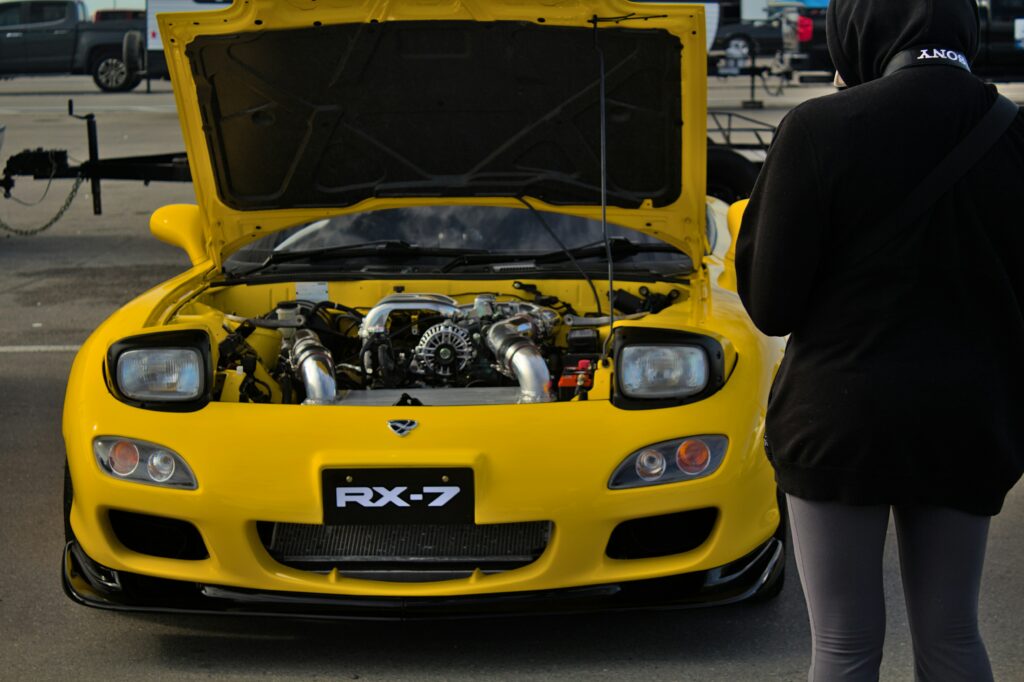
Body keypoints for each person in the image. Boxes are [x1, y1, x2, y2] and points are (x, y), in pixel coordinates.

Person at [735, 1, 1024, 680]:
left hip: (841, 417)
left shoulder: (819, 127)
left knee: (843, 644)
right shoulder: (1013, 132)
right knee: (953, 636)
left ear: (856, 30)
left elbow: (772, 305)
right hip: (967, 415)